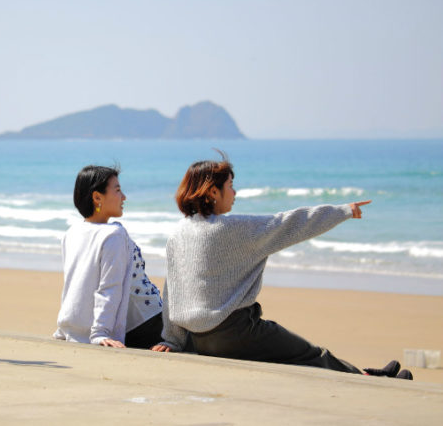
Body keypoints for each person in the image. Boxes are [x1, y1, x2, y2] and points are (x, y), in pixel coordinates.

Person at [152, 157, 412, 380]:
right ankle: (370, 380)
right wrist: (343, 211)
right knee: (311, 354)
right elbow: (289, 224)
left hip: (199, 339)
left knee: (289, 353)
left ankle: (365, 374)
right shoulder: (231, 229)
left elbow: (172, 291)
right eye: (230, 186)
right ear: (213, 193)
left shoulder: (178, 234)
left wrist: (172, 340)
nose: (235, 192)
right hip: (237, 333)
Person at [53, 165, 164, 349]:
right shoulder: (114, 234)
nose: (124, 197)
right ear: (97, 197)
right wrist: (99, 333)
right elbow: (109, 287)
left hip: (135, 321)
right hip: (147, 322)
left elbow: (73, 286)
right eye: (118, 190)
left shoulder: (71, 232)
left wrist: (66, 327)